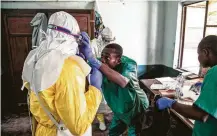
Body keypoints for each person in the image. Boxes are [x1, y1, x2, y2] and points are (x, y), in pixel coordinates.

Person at [22, 11, 102, 136]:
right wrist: (96, 90)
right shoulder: (69, 68)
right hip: (61, 132)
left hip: (43, 129)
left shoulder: (35, 57)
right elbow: (78, 126)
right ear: (74, 37)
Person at [79, 34, 149, 136]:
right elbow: (89, 65)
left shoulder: (129, 65)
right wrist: (82, 55)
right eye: (102, 56)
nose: (102, 60)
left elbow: (123, 81)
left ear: (118, 60)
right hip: (119, 109)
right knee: (113, 132)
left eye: (107, 58)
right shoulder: (103, 62)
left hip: (136, 109)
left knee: (134, 132)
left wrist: (93, 60)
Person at [156, 35, 217, 136]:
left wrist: (171, 103)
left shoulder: (214, 72)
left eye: (198, 54)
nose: (198, 58)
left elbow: (202, 115)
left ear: (206, 52)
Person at [91, 27, 115, 131]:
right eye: (106, 40)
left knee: (109, 99)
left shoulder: (113, 46)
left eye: (110, 40)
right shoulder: (94, 45)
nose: (108, 42)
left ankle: (109, 119)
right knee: (98, 99)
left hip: (109, 75)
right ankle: (101, 121)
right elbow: (90, 60)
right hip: (97, 74)